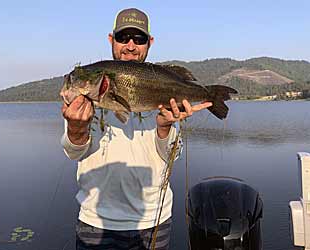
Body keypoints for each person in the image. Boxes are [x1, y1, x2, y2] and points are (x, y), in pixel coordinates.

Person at [61, 8, 212, 250]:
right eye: (123, 38)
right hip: (97, 222)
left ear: (149, 43)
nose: (130, 46)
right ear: (111, 40)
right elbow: (74, 152)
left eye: (139, 39)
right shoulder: (84, 100)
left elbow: (174, 154)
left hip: (154, 220)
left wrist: (165, 127)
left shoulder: (160, 80)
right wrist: (76, 128)